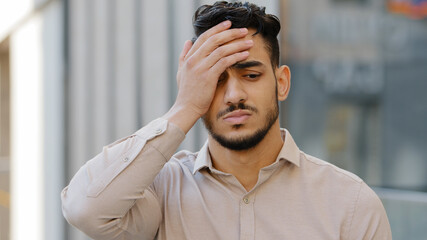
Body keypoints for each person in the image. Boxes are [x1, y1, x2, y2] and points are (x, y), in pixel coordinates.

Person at [61, 1, 392, 239]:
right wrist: (184, 108)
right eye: (216, 79)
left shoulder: (350, 203)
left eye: (250, 74)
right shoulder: (160, 194)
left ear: (282, 83)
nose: (233, 94)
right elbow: (84, 210)